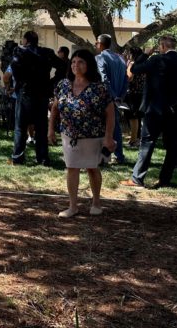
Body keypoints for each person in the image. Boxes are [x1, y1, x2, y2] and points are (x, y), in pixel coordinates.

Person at [49, 49, 115, 217]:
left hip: (93, 136)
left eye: (80, 62)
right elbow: (55, 108)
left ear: (89, 65)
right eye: (73, 62)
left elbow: (110, 113)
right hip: (69, 135)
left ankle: (96, 202)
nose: (75, 65)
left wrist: (108, 137)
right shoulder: (63, 85)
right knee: (72, 168)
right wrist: (50, 129)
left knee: (92, 168)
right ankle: (73, 206)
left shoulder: (99, 88)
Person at [121, 36, 177, 189]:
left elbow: (134, 69)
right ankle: (165, 179)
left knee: (147, 142)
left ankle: (138, 178)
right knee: (172, 146)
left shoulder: (156, 59)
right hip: (175, 109)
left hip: (154, 108)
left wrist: (145, 54)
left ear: (162, 46)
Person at [10, 31, 61, 165]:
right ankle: (42, 158)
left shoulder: (19, 51)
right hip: (42, 93)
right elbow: (62, 66)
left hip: (25, 92)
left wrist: (19, 83)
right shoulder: (47, 53)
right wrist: (51, 82)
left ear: (26, 40)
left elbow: (14, 66)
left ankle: (18, 157)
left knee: (20, 127)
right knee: (41, 127)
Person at [95, 34, 128, 163]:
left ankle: (103, 156)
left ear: (100, 44)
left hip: (105, 97)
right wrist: (120, 97)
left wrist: (113, 96)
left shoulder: (100, 58)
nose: (95, 45)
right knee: (115, 127)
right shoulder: (120, 58)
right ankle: (119, 155)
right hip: (117, 98)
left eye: (96, 43)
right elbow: (126, 79)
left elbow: (104, 79)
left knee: (103, 127)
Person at [124, 46, 146, 147]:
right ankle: (137, 138)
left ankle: (133, 140)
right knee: (137, 117)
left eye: (129, 53)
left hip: (132, 93)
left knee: (133, 117)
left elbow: (129, 78)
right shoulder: (143, 64)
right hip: (140, 93)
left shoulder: (132, 64)